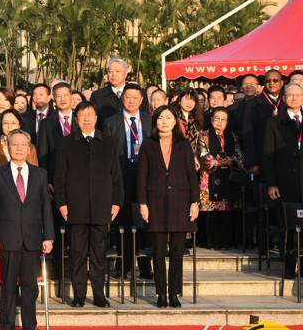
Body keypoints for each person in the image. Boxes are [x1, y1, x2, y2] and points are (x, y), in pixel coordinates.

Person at [0, 129, 54, 330]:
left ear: (29, 148)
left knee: (30, 287)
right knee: (7, 286)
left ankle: (29, 327)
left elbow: (45, 208)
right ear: (7, 147)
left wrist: (48, 236)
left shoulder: (40, 174)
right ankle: (5, 327)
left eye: (23, 145)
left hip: (32, 239)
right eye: (14, 145)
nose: (19, 149)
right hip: (7, 239)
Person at [53, 102, 123, 308]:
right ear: (76, 119)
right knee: (77, 253)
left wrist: (117, 202)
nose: (86, 118)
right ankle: (79, 295)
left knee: (99, 253)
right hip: (75, 207)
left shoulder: (108, 142)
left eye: (90, 114)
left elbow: (116, 176)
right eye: (82, 115)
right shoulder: (66, 143)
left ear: (96, 118)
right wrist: (62, 203)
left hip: (102, 206)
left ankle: (99, 294)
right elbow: (59, 177)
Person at [138, 106, 199, 309]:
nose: (164, 121)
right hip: (155, 203)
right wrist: (143, 203)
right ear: (155, 122)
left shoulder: (184, 145)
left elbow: (192, 175)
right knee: (157, 253)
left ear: (175, 122)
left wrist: (194, 202)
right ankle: (160, 294)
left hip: (181, 203)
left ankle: (174, 293)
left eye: (168, 117)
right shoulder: (148, 145)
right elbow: (142, 177)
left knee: (177, 253)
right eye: (160, 118)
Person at [103, 84, 152, 279]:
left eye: (135, 97)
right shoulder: (110, 123)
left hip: (145, 175)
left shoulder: (150, 121)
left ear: (141, 100)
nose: (131, 100)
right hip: (121, 175)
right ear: (122, 99)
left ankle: (145, 265)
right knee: (123, 221)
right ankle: (123, 265)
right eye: (127, 97)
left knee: (144, 219)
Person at [263, 82, 303, 279]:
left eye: (298, 95)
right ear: (284, 98)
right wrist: (271, 183)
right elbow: (268, 156)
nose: (294, 98)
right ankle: (288, 266)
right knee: (287, 225)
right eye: (290, 95)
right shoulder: (275, 123)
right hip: (285, 183)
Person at [197, 107, 245, 249]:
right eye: (216, 118)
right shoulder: (203, 135)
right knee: (210, 212)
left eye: (223, 119)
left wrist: (230, 161)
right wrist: (217, 162)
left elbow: (240, 156)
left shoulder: (232, 136)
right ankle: (209, 241)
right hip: (209, 177)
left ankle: (225, 242)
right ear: (211, 120)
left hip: (229, 178)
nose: (219, 122)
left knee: (227, 210)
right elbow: (203, 155)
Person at [0, 109, 38, 199]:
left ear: (19, 125)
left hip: (25, 200)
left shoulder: (30, 147)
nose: (9, 126)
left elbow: (35, 176)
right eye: (5, 123)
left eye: (13, 123)